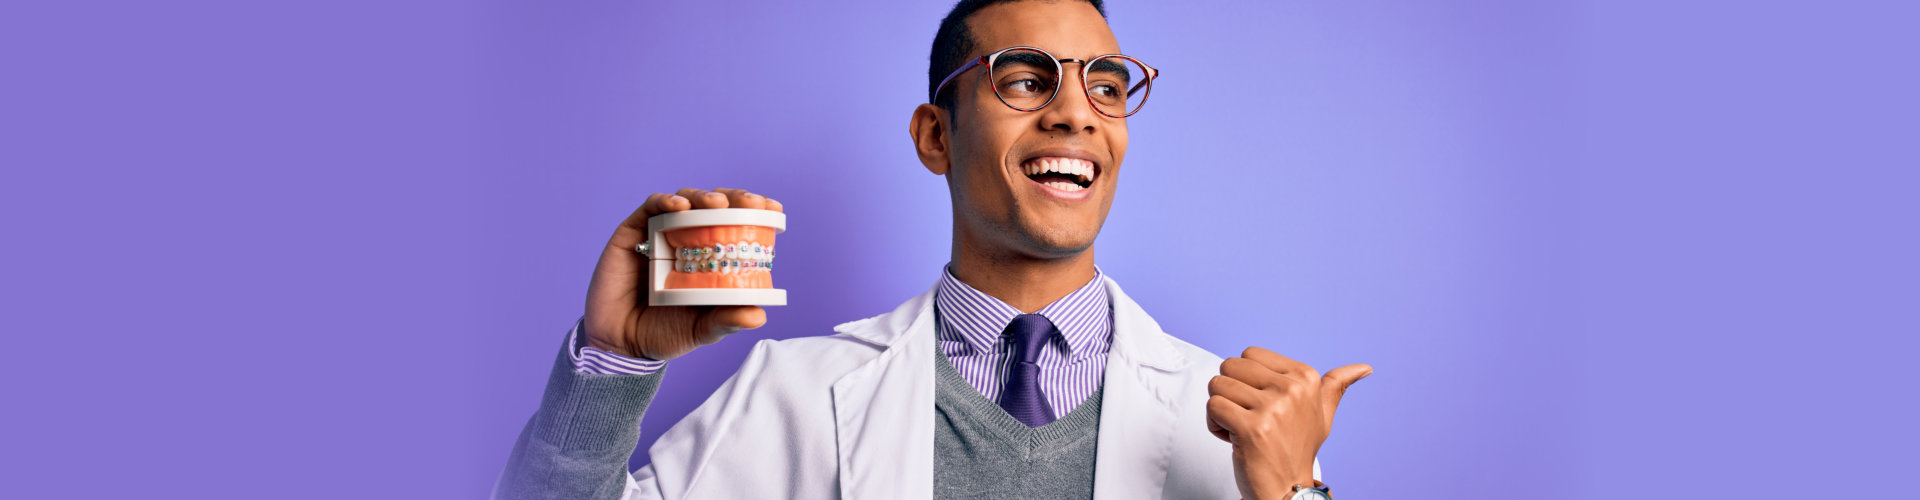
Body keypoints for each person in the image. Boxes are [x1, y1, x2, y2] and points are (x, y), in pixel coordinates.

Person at [493, 1, 1370, 498]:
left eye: (1106, 86)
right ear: (934, 137)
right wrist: (609, 365)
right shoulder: (795, 397)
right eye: (1025, 79)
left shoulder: (1243, 425)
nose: (1075, 113)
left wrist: (1299, 499)